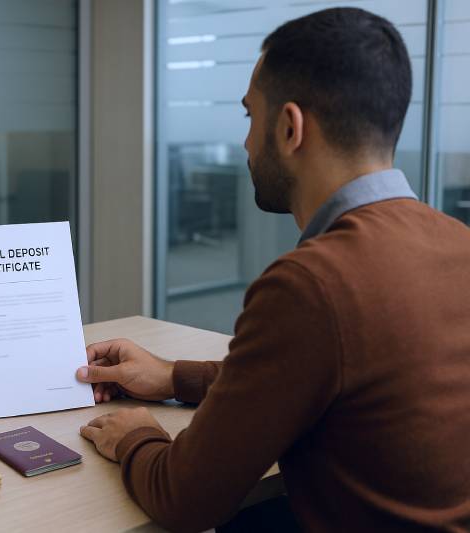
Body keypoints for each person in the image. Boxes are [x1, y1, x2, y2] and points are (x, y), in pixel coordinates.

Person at [77, 7, 470, 532]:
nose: (244, 141)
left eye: (249, 117)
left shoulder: (313, 284)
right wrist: (172, 376)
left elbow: (183, 500)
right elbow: (325, 376)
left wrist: (135, 436)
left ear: (289, 127)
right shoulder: (457, 241)